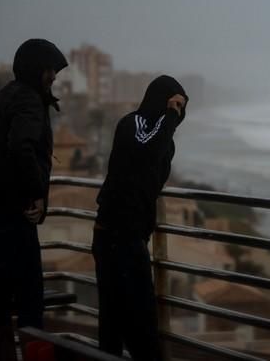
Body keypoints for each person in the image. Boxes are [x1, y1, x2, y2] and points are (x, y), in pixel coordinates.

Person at [0, 39, 67, 361]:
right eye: (50, 70)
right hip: (10, 216)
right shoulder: (28, 100)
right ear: (38, 69)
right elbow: (20, 146)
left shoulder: (9, 94)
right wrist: (36, 193)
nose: (54, 77)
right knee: (30, 302)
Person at [93, 75, 188, 361]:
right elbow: (145, 151)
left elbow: (150, 183)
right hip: (114, 236)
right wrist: (170, 116)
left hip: (132, 236)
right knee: (137, 321)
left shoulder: (166, 144)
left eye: (182, 108)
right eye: (175, 104)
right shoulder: (132, 124)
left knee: (120, 320)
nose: (179, 112)